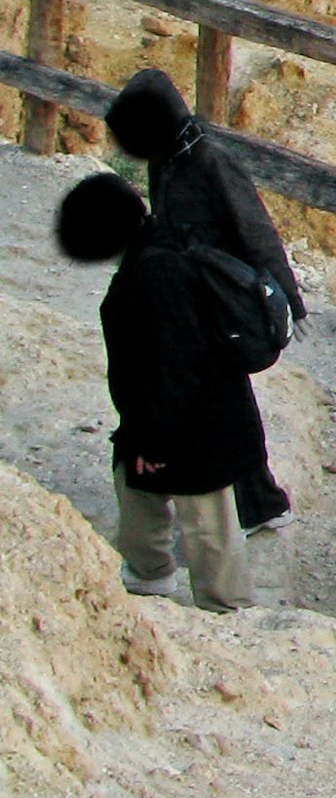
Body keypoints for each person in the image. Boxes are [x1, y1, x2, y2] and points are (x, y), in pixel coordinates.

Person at [53, 173, 264, 610]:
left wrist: (154, 440)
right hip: (186, 415)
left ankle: (225, 608)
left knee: (206, 521)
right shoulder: (161, 249)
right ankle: (149, 573)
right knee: (138, 486)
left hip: (194, 424)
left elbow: (171, 365)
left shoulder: (154, 275)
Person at [104, 67, 301, 534]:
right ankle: (257, 502)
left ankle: (260, 503)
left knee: (225, 399)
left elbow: (256, 232)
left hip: (221, 296)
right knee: (211, 400)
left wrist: (286, 297)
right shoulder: (167, 159)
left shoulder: (211, 161)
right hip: (187, 294)